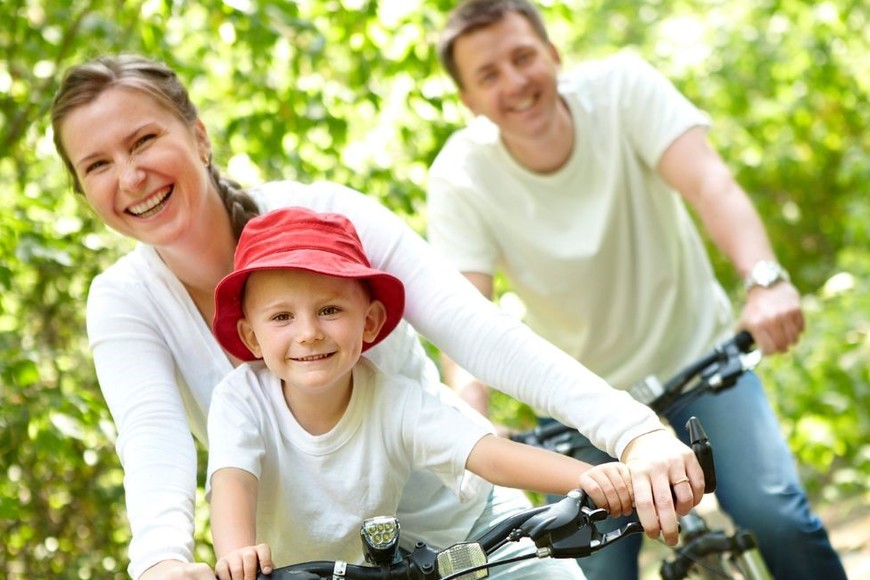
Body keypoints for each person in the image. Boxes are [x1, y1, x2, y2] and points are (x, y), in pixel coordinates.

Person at [51, 54, 705, 580]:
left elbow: (477, 329)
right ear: (82, 190)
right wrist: (164, 561)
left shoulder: (330, 218)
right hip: (325, 568)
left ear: (198, 136)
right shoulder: (124, 301)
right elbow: (152, 439)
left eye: (144, 141)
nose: (131, 176)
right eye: (98, 165)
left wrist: (633, 435)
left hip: (473, 532)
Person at [426, 1, 847, 579]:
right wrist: (471, 418)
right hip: (587, 405)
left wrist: (765, 280)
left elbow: (711, 185)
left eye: (524, 57)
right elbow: (464, 317)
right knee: (593, 568)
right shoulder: (461, 175)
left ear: (553, 54)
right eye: (488, 75)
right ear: (468, 100)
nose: (516, 82)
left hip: (700, 358)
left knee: (776, 514)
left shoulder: (623, 90)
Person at [207, 206, 637, 579]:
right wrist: (236, 553)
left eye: (330, 310)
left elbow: (485, 454)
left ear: (370, 322)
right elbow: (233, 481)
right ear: (252, 337)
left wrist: (584, 477)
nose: (308, 333)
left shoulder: (392, 401)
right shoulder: (242, 400)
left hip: (383, 566)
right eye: (282, 317)